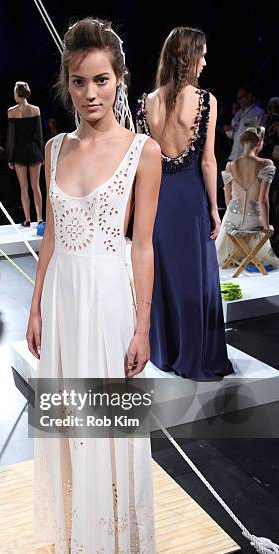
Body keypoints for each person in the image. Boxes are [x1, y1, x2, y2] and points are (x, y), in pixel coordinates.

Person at [27, 18, 161, 554]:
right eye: (79, 82)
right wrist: (34, 307)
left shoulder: (143, 152)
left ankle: (116, 548)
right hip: (61, 302)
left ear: (120, 80)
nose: (90, 93)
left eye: (101, 80)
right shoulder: (56, 147)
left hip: (108, 303)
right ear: (67, 84)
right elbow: (50, 238)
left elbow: (143, 244)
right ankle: (77, 538)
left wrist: (143, 324)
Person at [137, 26, 233, 381]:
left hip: (159, 200)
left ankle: (168, 353)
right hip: (192, 200)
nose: (205, 61)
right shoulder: (206, 100)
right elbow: (208, 162)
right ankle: (197, 357)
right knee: (196, 278)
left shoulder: (148, 102)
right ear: (188, 57)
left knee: (166, 276)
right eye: (202, 54)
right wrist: (214, 207)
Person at [216, 127, 279, 268]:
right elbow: (263, 199)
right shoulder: (266, 164)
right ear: (259, 143)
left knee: (231, 213)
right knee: (265, 224)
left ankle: (235, 257)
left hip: (232, 220)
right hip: (254, 221)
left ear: (242, 143)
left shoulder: (230, 165)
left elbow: (228, 200)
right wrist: (266, 225)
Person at [7, 81, 44, 226]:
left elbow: (11, 137)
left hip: (19, 153)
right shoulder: (35, 110)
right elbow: (39, 136)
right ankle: (40, 218)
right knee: (36, 186)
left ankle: (27, 219)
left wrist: (10, 157)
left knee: (24, 187)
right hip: (34, 151)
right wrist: (41, 154)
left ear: (17, 93)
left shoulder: (11, 111)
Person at [224, 86, 265, 161]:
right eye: (238, 99)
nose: (238, 101)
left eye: (240, 98)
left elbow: (260, 136)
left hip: (247, 156)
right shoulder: (238, 113)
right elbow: (232, 135)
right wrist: (228, 130)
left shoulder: (259, 112)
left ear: (250, 96)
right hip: (234, 155)